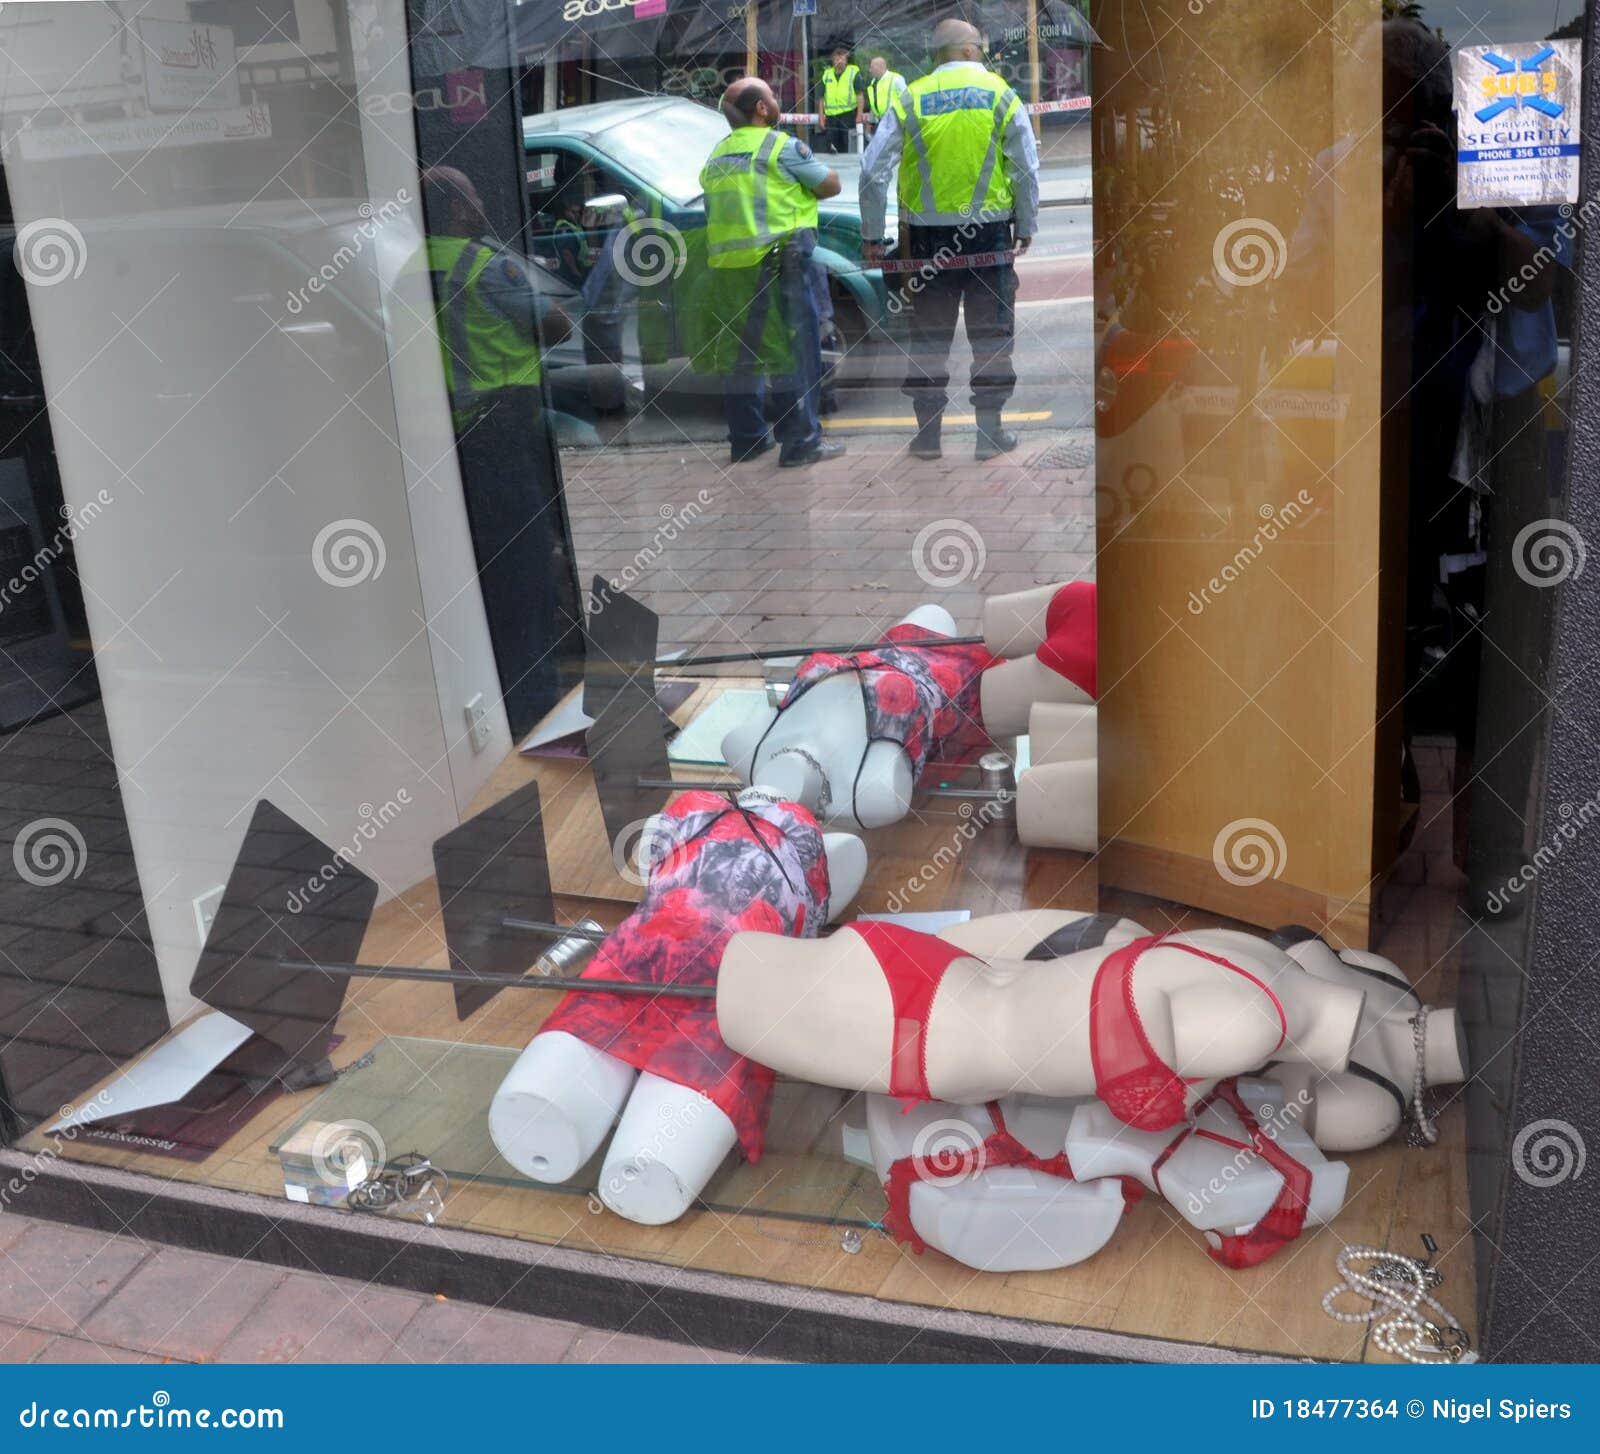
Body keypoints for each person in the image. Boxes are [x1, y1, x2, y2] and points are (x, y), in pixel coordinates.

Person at [859, 18, 1039, 460]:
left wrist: (870, 237)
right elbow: (1025, 168)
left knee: (928, 339)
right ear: (968, 50)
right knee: (991, 336)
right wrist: (1026, 224)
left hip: (925, 243)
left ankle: (927, 438)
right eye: (980, 46)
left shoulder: (910, 97)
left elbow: (871, 171)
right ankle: (989, 433)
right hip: (988, 237)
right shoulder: (1001, 93)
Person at [698, 76, 846, 469]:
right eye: (772, 96)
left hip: (730, 272)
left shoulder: (716, 155)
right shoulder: (780, 146)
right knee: (794, 352)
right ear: (761, 109)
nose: (776, 100)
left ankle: (746, 440)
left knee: (741, 355)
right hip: (782, 264)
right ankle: (800, 443)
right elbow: (830, 185)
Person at [815, 44, 864, 154]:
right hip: (831, 117)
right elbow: (821, 98)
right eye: (837, 59)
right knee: (832, 147)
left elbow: (860, 95)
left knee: (848, 145)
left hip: (848, 115)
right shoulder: (827, 75)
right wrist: (821, 117)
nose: (840, 61)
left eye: (843, 59)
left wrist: (859, 114)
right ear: (833, 60)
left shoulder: (853, 72)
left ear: (846, 60)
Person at [864, 55, 907, 137]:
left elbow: (907, 99)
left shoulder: (896, 79)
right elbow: (875, 104)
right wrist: (870, 122)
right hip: (880, 122)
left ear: (881, 67)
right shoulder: (873, 82)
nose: (870, 70)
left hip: (896, 122)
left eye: (872, 67)